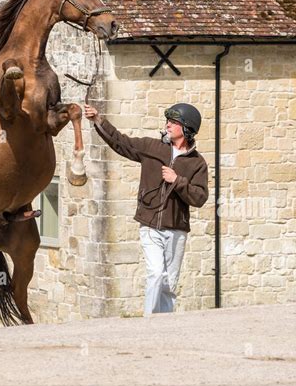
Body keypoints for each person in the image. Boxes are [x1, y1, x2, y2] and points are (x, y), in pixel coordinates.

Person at [84, 102, 209, 314]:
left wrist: (177, 180)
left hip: (176, 229)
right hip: (149, 225)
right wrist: (98, 120)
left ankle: (165, 325)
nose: (167, 125)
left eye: (173, 122)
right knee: (155, 272)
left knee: (169, 283)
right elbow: (120, 142)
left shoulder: (198, 163)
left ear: (186, 128)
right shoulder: (152, 147)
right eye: (167, 121)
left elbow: (200, 197)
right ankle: (149, 321)